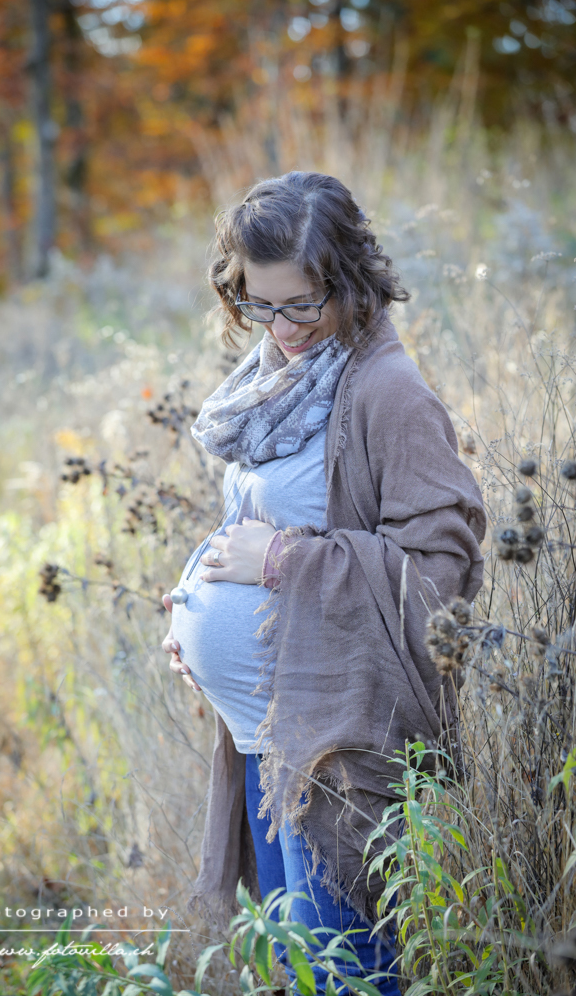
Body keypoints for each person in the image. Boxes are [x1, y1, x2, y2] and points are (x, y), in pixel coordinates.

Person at [161, 171, 486, 995]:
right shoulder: (276, 383)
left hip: (334, 743)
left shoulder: (387, 393)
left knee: (350, 968)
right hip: (267, 735)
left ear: (348, 279)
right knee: (303, 964)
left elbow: (439, 570)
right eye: (258, 305)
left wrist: (280, 566)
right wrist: (192, 608)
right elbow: (253, 516)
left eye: (301, 303)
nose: (282, 327)